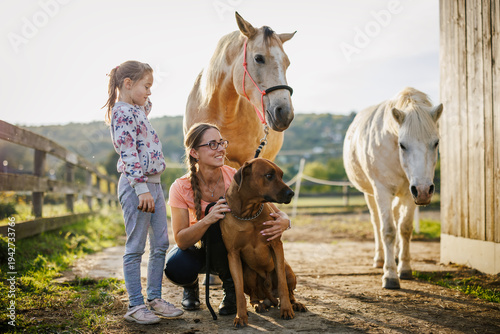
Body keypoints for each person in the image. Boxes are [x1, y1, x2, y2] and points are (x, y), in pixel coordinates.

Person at [164, 122, 292, 315]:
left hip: (227, 252)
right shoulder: (180, 187)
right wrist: (208, 219)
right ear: (195, 153)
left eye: (222, 143)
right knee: (176, 265)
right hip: (197, 248)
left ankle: (231, 290)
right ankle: (190, 287)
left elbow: (272, 208)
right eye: (212, 144)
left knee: (221, 224)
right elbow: (181, 240)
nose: (221, 149)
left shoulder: (235, 177)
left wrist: (285, 220)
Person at [104, 60, 183, 325]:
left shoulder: (137, 109)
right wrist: (140, 189)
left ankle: (155, 299)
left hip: (154, 185)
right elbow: (128, 153)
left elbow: (146, 103)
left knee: (160, 243)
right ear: (127, 84)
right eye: (146, 86)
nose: (150, 92)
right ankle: (135, 305)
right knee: (136, 246)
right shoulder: (122, 112)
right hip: (137, 186)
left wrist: (143, 87)